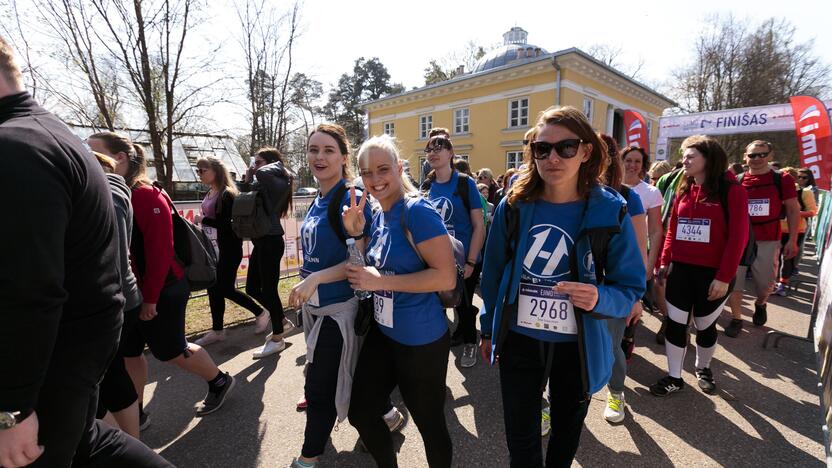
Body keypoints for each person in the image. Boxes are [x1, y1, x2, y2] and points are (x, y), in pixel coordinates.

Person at [0, 35, 171, 467]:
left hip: (44, 378)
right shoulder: (45, 134)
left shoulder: (17, 147)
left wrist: (12, 409)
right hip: (68, 365)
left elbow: (29, 291)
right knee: (91, 443)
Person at [480, 106, 645, 467]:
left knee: (566, 434)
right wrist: (487, 328)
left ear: (586, 151)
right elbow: (491, 274)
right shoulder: (513, 205)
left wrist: (600, 296)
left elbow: (631, 286)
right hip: (520, 338)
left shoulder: (609, 209)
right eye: (542, 149)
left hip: (579, 344)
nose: (552, 157)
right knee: (520, 439)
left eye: (565, 147)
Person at [88, 131, 236, 419]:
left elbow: (160, 252)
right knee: (130, 353)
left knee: (171, 350)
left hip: (162, 289)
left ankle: (219, 381)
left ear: (119, 158)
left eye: (95, 153)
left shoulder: (144, 194)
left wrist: (150, 300)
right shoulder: (116, 191)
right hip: (133, 293)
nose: (88, 159)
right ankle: (137, 410)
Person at [346, 135, 457, 468]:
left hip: (422, 341)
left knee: (430, 425)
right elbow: (368, 269)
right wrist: (356, 235)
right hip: (385, 332)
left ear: (398, 168)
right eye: (366, 173)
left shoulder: (417, 211)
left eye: (383, 169)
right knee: (361, 413)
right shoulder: (378, 213)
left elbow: (446, 277)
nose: (375, 179)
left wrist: (383, 282)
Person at [284, 124, 374, 468]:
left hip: (341, 310)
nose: (319, 157)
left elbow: (359, 262)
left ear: (343, 157)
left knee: (320, 387)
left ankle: (308, 459)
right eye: (313, 150)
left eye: (328, 150)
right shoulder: (319, 198)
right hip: (316, 310)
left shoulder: (348, 198)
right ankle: (388, 416)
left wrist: (317, 278)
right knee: (335, 375)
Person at [650, 135, 749, 396]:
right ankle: (674, 376)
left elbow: (739, 237)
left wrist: (724, 276)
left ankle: (703, 368)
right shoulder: (685, 187)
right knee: (675, 324)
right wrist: (663, 261)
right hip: (681, 271)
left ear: (709, 159)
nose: (684, 160)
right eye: (684, 155)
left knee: (704, 327)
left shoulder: (732, 190)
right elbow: (673, 228)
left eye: (691, 155)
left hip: (713, 275)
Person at [91, 152, 144, 439]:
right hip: (117, 296)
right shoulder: (112, 192)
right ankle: (130, 444)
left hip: (109, 299)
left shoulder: (109, 195)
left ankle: (122, 448)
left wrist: (152, 297)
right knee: (114, 372)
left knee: (98, 382)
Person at [724, 140, 799, 337]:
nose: (757, 159)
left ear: (770, 156)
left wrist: (791, 239)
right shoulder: (736, 179)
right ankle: (737, 318)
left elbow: (792, 209)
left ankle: (761, 303)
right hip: (739, 239)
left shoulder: (782, 179)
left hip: (768, 238)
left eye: (762, 154)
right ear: (744, 157)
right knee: (735, 281)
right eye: (752, 155)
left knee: (765, 283)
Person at [422, 135, 486, 368]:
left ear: (451, 153)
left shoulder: (464, 182)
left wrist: (470, 261)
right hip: (437, 258)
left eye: (439, 148)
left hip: (465, 257)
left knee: (464, 304)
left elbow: (479, 225)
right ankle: (455, 336)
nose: (433, 152)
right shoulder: (427, 185)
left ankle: (470, 342)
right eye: (429, 149)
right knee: (442, 302)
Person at [598, 134, 648, 423]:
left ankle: (616, 391)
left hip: (613, 288)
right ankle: (556, 402)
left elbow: (639, 251)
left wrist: (635, 297)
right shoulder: (569, 193)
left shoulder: (629, 197)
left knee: (611, 344)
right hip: (576, 286)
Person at [194, 156, 267, 346]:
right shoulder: (211, 191)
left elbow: (227, 225)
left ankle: (261, 312)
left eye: (203, 170)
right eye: (197, 170)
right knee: (213, 288)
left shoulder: (227, 194)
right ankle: (217, 330)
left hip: (229, 249)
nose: (200, 174)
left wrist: (202, 220)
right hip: (213, 249)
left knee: (224, 288)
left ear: (216, 171)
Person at [241, 147, 294, 358]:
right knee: (252, 287)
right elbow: (243, 201)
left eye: (259, 161)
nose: (255, 166)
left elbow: (263, 173)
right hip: (260, 240)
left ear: (272, 163)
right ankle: (281, 319)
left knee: (269, 289)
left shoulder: (277, 179)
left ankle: (278, 338)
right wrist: (247, 179)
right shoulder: (263, 180)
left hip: (271, 241)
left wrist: (274, 166)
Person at [773, 167, 817, 296]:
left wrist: (795, 213)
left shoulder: (804, 192)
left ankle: (783, 284)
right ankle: (775, 282)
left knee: (788, 258)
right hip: (777, 230)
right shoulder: (776, 191)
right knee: (775, 258)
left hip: (796, 230)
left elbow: (813, 211)